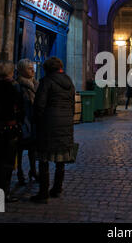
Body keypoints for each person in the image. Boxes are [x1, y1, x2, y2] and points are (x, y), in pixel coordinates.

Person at [31, 57, 76, 204]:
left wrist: (36, 121)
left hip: (48, 124)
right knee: (60, 159)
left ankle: (43, 193)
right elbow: (72, 105)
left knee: (44, 159)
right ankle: (57, 188)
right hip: (65, 123)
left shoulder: (46, 81)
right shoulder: (69, 82)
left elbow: (39, 105)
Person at [0, 60, 24, 203]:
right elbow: (20, 107)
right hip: (9, 128)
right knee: (6, 162)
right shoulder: (13, 86)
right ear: (8, 72)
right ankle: (3, 193)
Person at [16, 59, 39, 185]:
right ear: (21, 70)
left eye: (32, 68)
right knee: (19, 149)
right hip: (23, 121)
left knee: (33, 148)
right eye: (29, 68)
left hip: (33, 121)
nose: (32, 70)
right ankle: (20, 172)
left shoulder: (36, 84)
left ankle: (33, 171)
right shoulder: (18, 85)